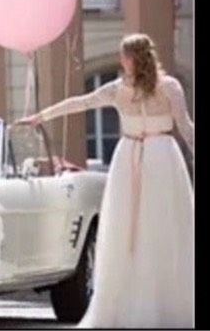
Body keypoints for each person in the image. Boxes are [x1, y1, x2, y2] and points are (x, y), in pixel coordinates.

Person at [17, 33, 194, 328]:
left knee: (161, 227)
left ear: (134, 58)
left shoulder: (169, 87)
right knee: (127, 230)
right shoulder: (118, 89)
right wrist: (42, 117)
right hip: (135, 159)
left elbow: (186, 127)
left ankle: (164, 303)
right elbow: (81, 102)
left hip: (162, 161)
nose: (122, 60)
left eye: (125, 55)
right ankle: (128, 301)